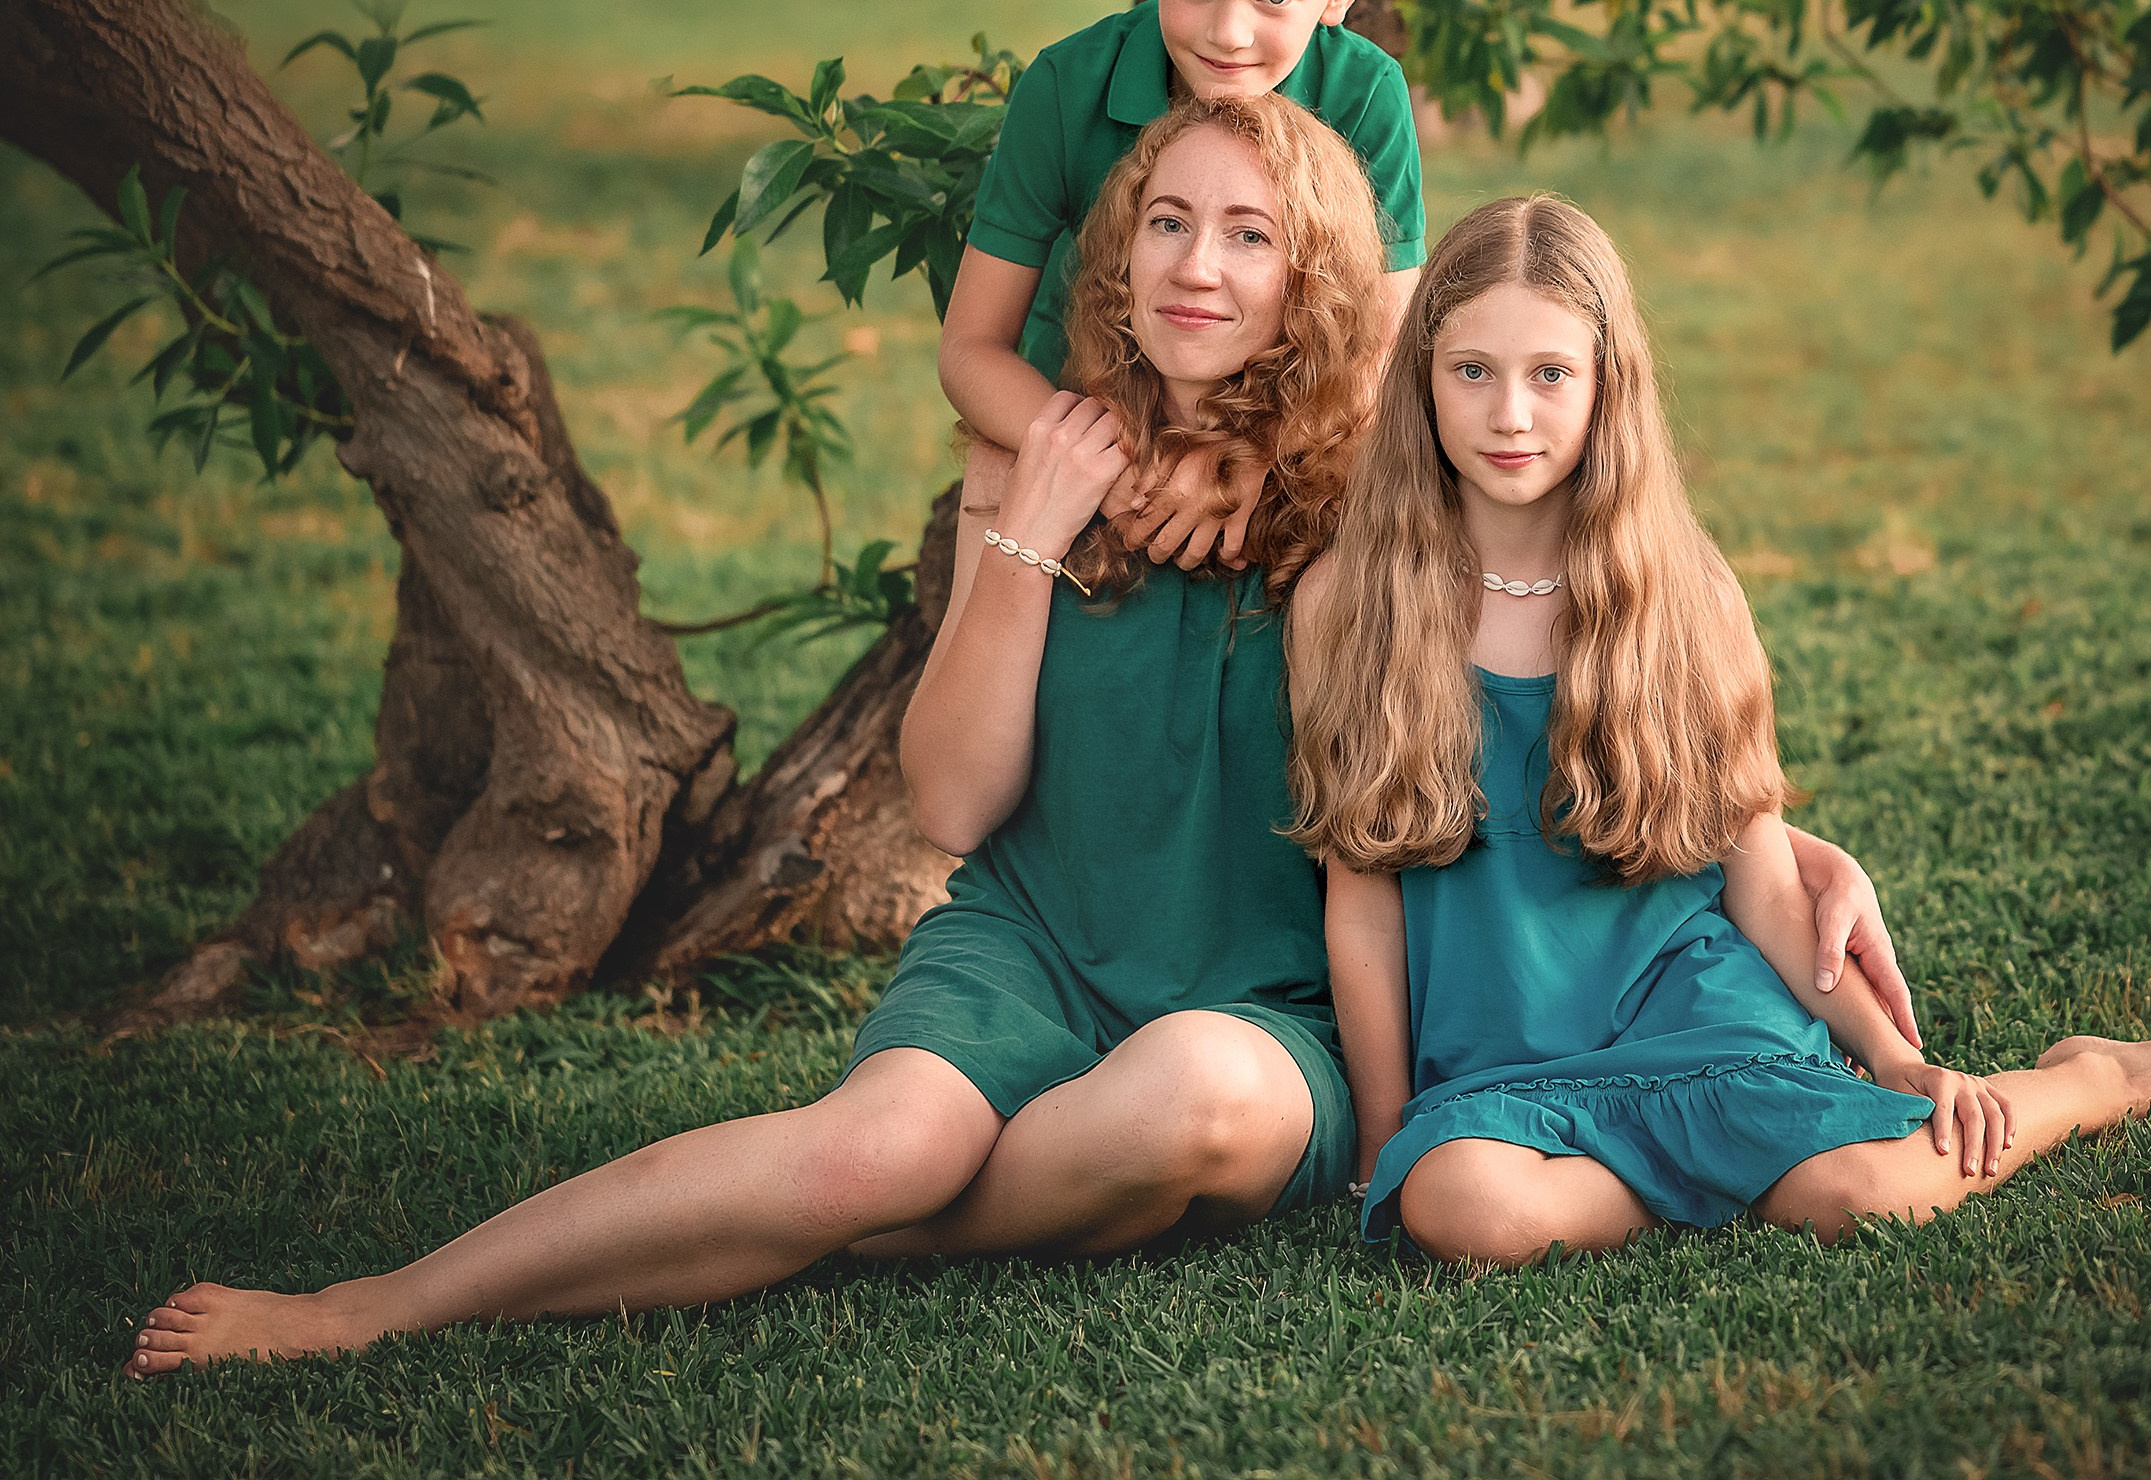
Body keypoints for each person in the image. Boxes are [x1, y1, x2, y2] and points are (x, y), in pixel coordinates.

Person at [120, 113, 1906, 1378]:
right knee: (860, 1147)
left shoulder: (1388, 488)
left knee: (1189, 1102)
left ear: (1324, 275)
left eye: (1254, 232)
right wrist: (1031, 535)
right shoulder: (1035, 462)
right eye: (1169, 224)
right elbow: (957, 800)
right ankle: (381, 1303)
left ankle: (829, 1243)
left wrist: (1789, 853)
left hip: (1266, 1006)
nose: (1203, 267)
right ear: (1118, 258)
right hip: (1042, 940)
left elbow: (1594, 665)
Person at [1287, 196, 2151, 1265]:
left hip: (1693, 1016)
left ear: (1607, 387)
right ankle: (1725, 1179)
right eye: (1473, 372)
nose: (1510, 416)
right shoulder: (1349, 606)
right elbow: (1362, 900)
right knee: (1470, 1211)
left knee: (1872, 1193)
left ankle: (2091, 1081)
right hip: (1497, 1060)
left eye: (1552, 374)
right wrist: (1385, 1127)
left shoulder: (1687, 596)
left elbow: (1763, 880)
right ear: (1422, 381)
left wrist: (1892, 1057)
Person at [938, 0, 1423, 573]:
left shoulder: (1365, 93)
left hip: (1289, 464)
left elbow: (1385, 347)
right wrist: (1122, 467)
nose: (1229, 33)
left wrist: (1245, 457)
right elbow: (972, 350)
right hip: (1095, 455)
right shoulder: (1067, 88)